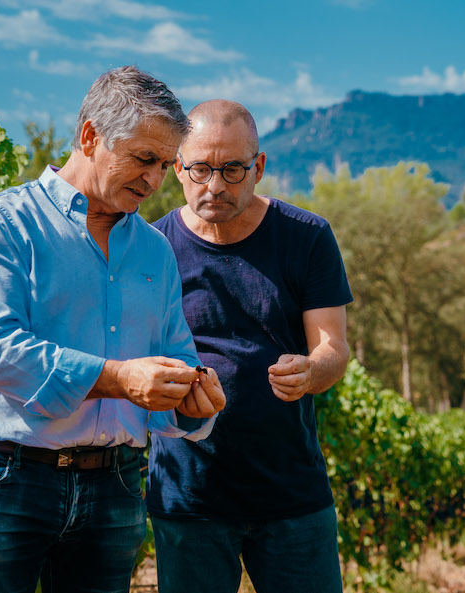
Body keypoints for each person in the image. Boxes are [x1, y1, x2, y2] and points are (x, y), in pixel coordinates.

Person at [0, 66, 226, 593]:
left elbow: (172, 360)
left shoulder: (155, 251)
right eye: (144, 159)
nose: (154, 181)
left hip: (116, 484)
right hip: (4, 480)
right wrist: (118, 378)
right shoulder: (1, 224)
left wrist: (189, 404)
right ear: (90, 136)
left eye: (165, 165)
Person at [146, 99, 353, 593]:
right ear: (178, 168)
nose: (214, 185)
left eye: (233, 169)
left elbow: (334, 347)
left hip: (291, 496)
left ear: (258, 167)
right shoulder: (151, 248)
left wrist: (312, 370)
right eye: (199, 169)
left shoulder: (306, 237)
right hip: (187, 498)